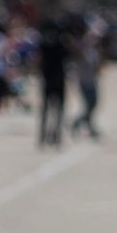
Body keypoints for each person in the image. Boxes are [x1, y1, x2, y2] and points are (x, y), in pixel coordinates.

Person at [34, 16, 71, 147]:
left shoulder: (44, 44)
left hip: (49, 79)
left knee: (47, 109)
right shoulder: (61, 43)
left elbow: (39, 61)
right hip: (57, 79)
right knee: (56, 109)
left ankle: (45, 135)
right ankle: (54, 135)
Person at [70, 14, 105, 139]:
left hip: (92, 81)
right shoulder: (81, 47)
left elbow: (98, 66)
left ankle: (88, 126)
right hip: (84, 81)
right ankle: (77, 122)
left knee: (93, 105)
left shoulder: (94, 51)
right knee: (89, 105)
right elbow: (76, 57)